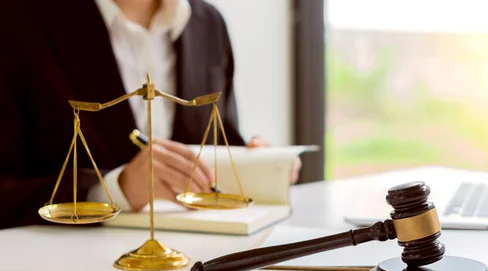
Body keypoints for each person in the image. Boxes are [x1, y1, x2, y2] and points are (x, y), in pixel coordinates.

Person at [0, 0, 300, 229]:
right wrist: (114, 189)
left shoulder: (207, 23)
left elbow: (218, 140)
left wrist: (257, 164)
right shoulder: (16, 19)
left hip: (193, 268)